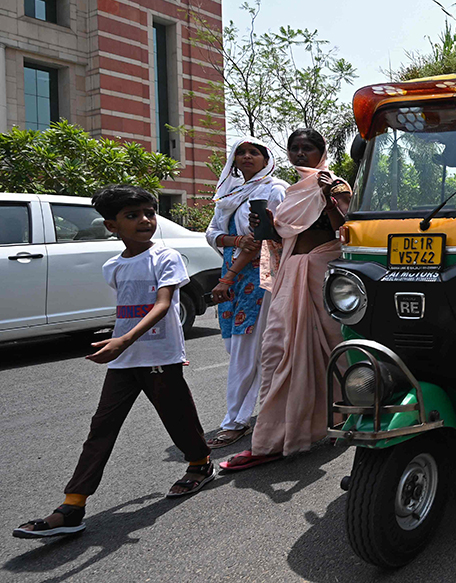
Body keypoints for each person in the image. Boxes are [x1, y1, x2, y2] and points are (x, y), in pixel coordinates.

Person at [13, 186, 213, 539]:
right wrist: (118, 339)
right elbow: (126, 308)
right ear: (111, 226)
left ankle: (199, 463)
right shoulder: (113, 266)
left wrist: (124, 340)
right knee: (101, 428)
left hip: (158, 356)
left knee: (177, 416)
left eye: (149, 213)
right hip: (124, 359)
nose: (145, 221)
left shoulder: (166, 258)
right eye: (132, 216)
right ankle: (72, 505)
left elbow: (163, 305)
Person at [219, 128, 352, 471]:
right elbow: (277, 236)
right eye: (294, 148)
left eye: (308, 148)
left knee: (332, 350)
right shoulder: (292, 192)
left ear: (321, 151)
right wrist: (263, 225)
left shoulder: (334, 183)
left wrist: (329, 196)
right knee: (279, 350)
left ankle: (346, 415)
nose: (300, 153)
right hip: (290, 273)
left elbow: (348, 228)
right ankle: (272, 438)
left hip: (324, 270)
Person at [203, 137, 288, 449]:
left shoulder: (274, 190)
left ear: (267, 159)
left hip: (258, 275)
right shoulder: (228, 192)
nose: (247, 156)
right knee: (235, 344)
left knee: (244, 347)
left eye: (255, 152)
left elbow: (263, 240)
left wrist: (228, 276)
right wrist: (234, 241)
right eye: (241, 152)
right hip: (232, 272)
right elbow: (211, 233)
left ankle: (236, 421)